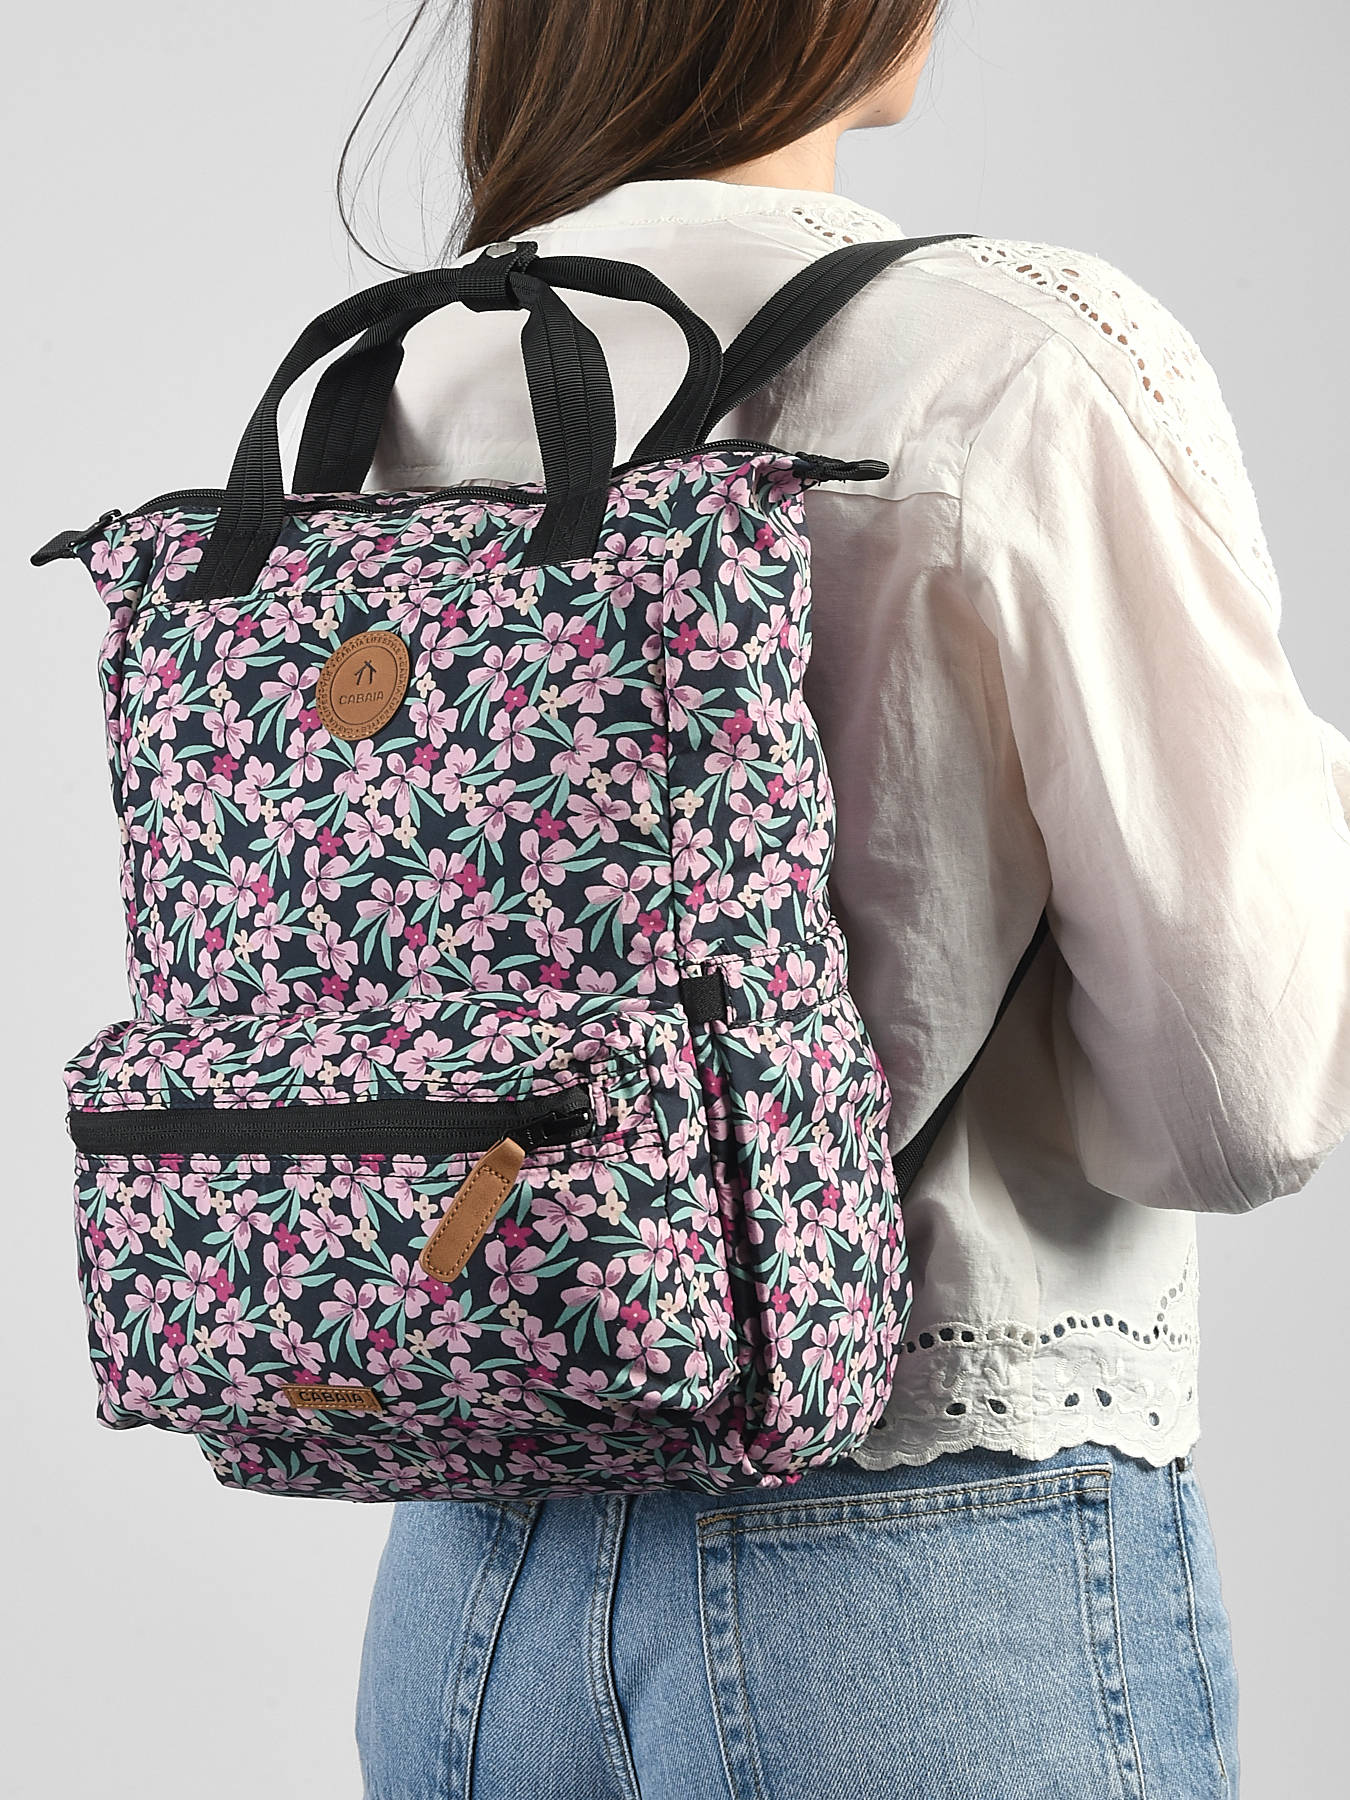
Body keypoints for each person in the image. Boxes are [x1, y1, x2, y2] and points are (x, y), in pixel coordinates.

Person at [346, 5, 1350, 1797]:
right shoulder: (1008, 357)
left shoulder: (403, 371)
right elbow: (1231, 1106)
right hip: (914, 1559)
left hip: (469, 1575)